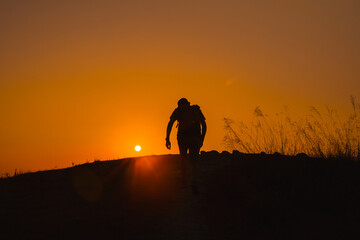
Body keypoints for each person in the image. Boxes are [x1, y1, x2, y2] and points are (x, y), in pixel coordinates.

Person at [165, 98, 207, 194]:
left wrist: (167, 138)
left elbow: (170, 123)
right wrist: (202, 139)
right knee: (194, 160)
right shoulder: (196, 109)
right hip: (195, 137)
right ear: (188, 103)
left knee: (183, 158)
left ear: (179, 105)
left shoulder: (178, 110)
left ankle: (184, 181)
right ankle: (194, 181)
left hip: (182, 137)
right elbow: (204, 125)